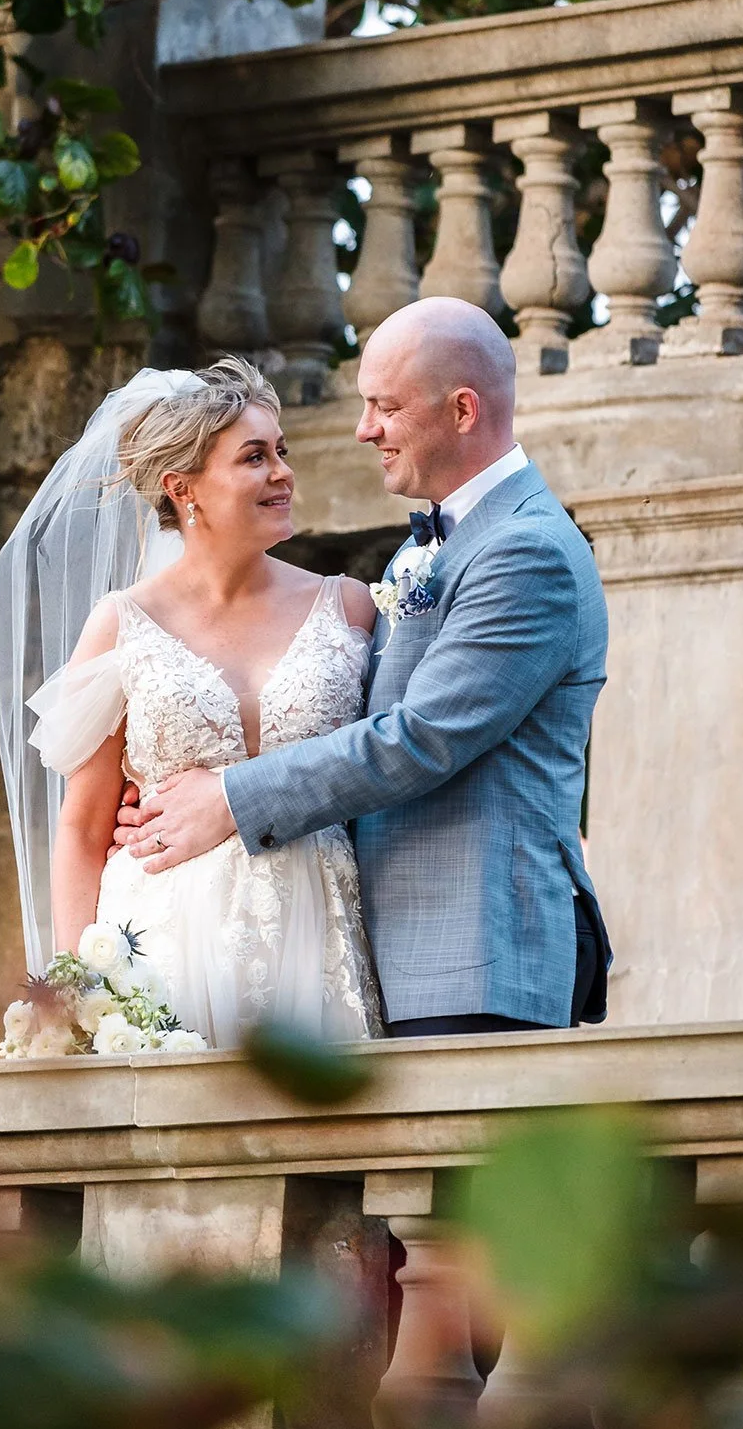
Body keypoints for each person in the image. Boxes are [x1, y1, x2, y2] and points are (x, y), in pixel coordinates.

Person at [116, 298, 613, 1037]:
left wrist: (230, 798)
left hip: (476, 948)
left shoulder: (525, 550)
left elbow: (423, 738)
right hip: (380, 952)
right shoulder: (422, 550)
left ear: (463, 410)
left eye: (384, 406)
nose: (364, 429)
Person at [0, 359, 382, 1050]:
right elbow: (83, 830)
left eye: (281, 452)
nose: (283, 472)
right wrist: (75, 993)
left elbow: (382, 768)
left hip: (318, 929)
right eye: (254, 457)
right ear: (183, 488)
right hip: (163, 938)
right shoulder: (122, 625)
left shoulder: (349, 607)